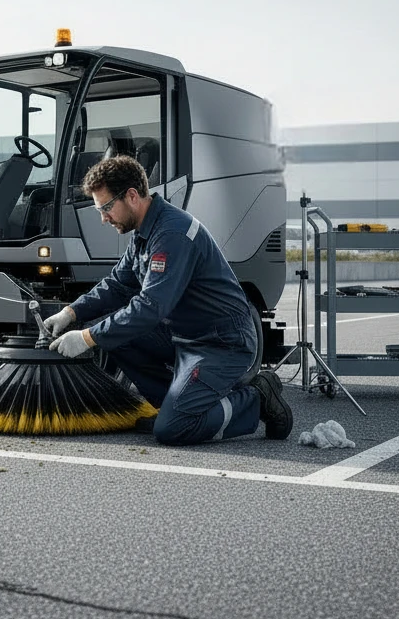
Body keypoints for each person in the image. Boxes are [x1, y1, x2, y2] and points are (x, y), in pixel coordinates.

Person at [44, 155, 292, 445]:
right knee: (112, 334)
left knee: (173, 430)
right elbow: (117, 284)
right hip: (185, 335)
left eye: (106, 208)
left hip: (221, 343)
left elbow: (150, 307)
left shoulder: (171, 233)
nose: (103, 218)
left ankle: (256, 398)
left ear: (132, 196)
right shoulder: (144, 231)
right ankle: (174, 406)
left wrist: (87, 337)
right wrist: (71, 313)